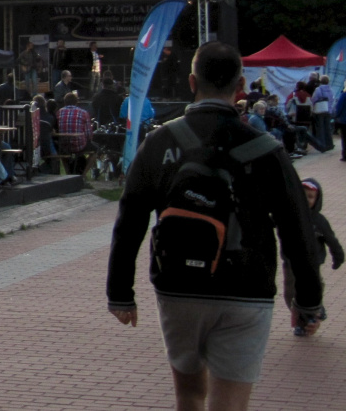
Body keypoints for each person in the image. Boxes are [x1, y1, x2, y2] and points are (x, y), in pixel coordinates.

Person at [107, 42, 324, 410]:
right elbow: (297, 228)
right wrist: (308, 300)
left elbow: (130, 218)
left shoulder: (160, 141)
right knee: (229, 404)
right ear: (241, 84)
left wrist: (120, 292)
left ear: (192, 81)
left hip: (177, 285)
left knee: (189, 396)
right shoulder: (267, 149)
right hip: (246, 288)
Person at [282, 179, 343, 336]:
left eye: (310, 197)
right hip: (290, 264)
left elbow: (331, 240)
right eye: (301, 195)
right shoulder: (288, 215)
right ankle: (302, 321)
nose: (305, 199)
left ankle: (313, 312)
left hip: (312, 263)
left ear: (317, 200)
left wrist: (338, 256)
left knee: (315, 287)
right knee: (290, 293)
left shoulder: (319, 221)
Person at [310, 75, 335, 151]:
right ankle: (330, 144)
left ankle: (322, 144)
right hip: (328, 110)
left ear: (321, 81)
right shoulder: (331, 89)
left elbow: (314, 99)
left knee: (320, 128)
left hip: (320, 110)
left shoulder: (318, 89)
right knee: (327, 127)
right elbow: (332, 100)